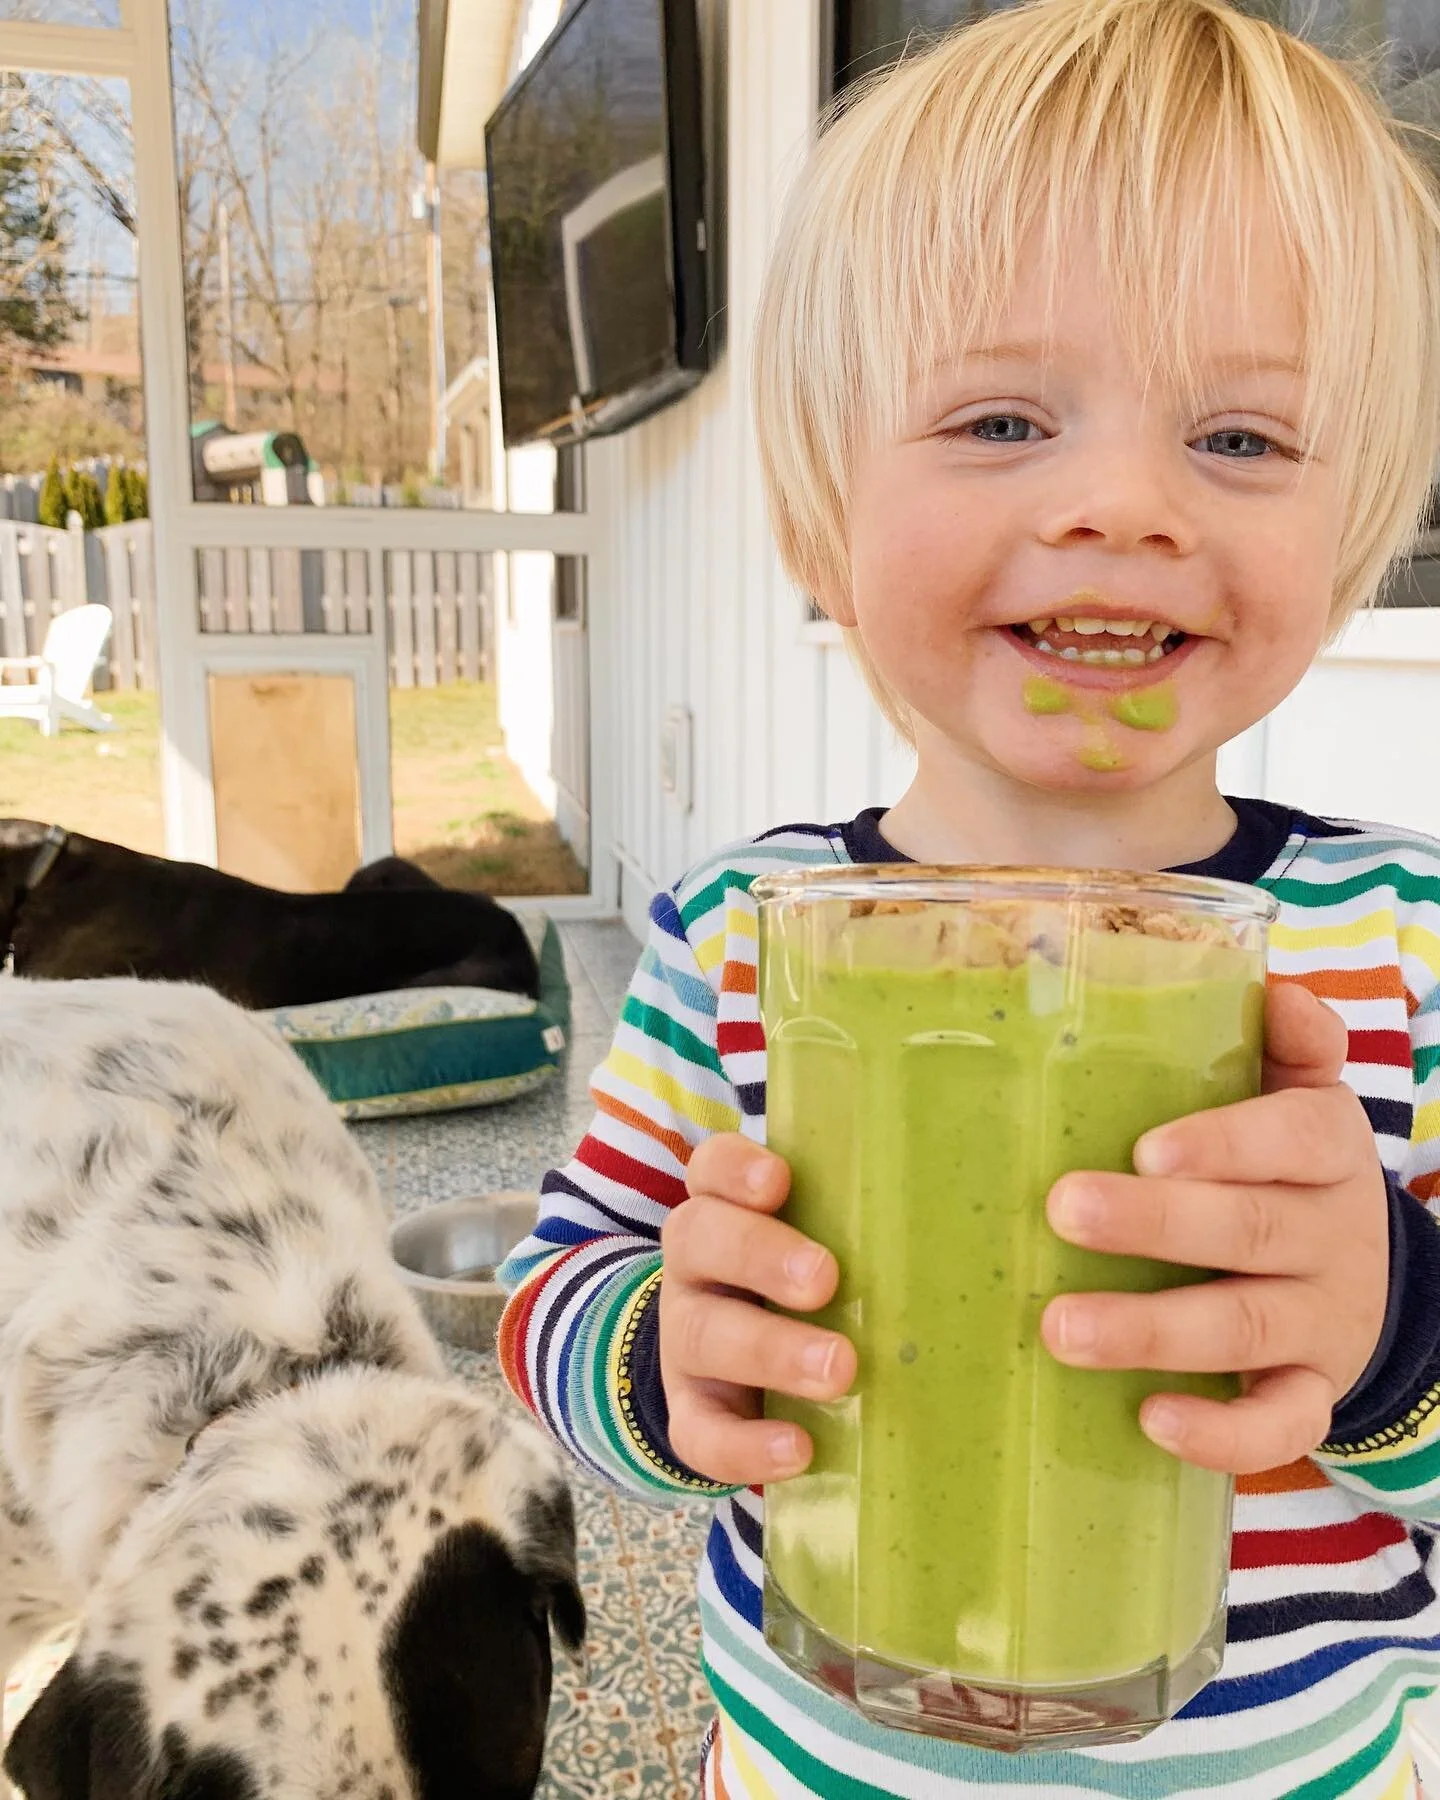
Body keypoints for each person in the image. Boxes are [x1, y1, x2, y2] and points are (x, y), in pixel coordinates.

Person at [497, 1, 1440, 1792]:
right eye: (1003, 416)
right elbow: (554, 1301)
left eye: (1241, 442)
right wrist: (668, 1356)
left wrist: (1390, 1324)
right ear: (817, 521)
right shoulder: (744, 938)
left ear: (1357, 525)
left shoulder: (1403, 943)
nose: (1122, 504)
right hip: (821, 1758)